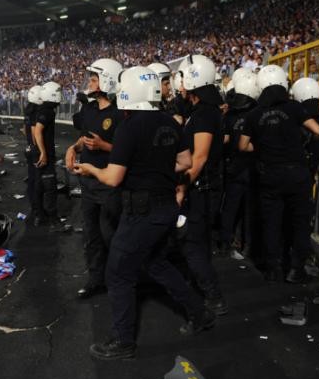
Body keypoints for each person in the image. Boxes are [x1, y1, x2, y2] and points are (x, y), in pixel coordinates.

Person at [74, 66, 215, 360]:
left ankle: (123, 341)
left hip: (142, 212)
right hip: (165, 208)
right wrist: (156, 167)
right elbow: (186, 162)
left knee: (118, 273)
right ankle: (200, 313)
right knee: (156, 264)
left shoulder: (129, 127)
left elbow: (112, 178)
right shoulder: (169, 122)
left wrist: (89, 169)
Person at [239, 65, 319, 283]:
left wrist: (263, 147)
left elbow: (242, 145)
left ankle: (273, 268)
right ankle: (296, 268)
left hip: (270, 175)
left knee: (271, 222)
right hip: (297, 173)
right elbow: (318, 130)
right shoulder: (294, 107)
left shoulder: (254, 114)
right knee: (300, 222)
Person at [65, 58, 123, 298]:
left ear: (107, 80)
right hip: (87, 183)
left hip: (108, 184)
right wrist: (73, 148)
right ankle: (96, 278)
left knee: (112, 235)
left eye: (94, 78)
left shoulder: (120, 112)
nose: (89, 82)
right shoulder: (88, 109)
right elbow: (83, 139)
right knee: (92, 236)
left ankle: (119, 281)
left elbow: (125, 150)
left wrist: (103, 145)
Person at [175, 54, 228, 315]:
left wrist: (183, 188)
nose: (180, 84)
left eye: (184, 78)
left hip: (202, 190)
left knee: (193, 243)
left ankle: (213, 296)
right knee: (198, 242)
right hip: (204, 188)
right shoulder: (201, 112)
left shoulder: (205, 114)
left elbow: (200, 156)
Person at [219, 69, 261, 262]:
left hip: (234, 167)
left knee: (231, 207)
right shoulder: (256, 115)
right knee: (249, 210)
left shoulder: (229, 116)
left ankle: (225, 243)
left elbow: (225, 140)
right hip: (251, 169)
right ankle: (247, 246)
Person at [32, 81, 64, 229]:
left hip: (37, 152)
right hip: (44, 155)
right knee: (50, 187)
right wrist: (43, 153)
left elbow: (34, 131)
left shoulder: (40, 108)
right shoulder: (47, 111)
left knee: (39, 185)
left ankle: (40, 215)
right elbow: (37, 131)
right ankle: (53, 219)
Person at [24, 85, 42, 217]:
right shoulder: (36, 112)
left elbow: (27, 130)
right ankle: (37, 208)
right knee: (37, 179)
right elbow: (35, 132)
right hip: (34, 150)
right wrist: (40, 150)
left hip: (29, 148)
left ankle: (33, 205)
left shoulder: (28, 110)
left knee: (32, 178)